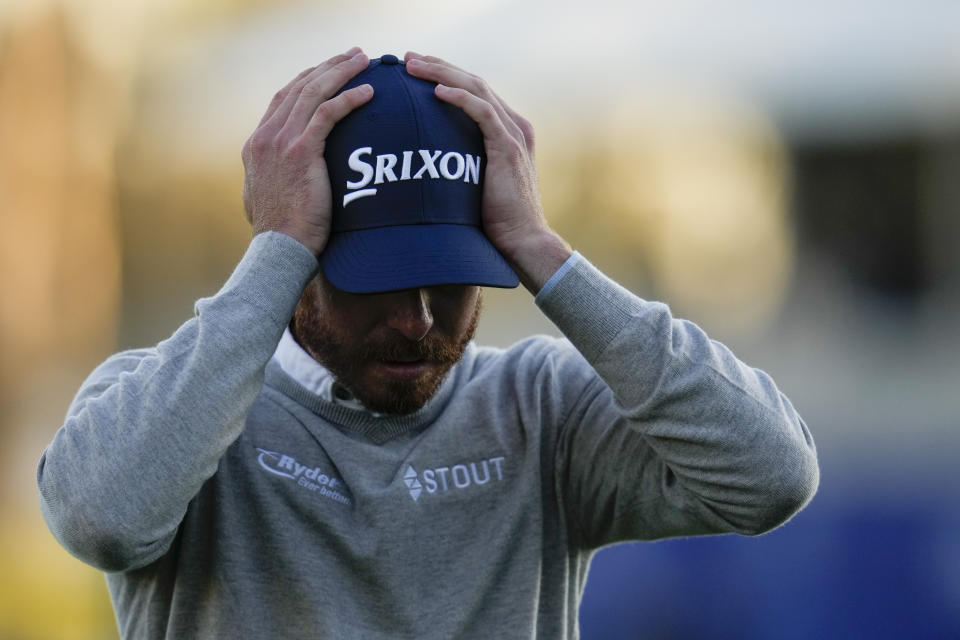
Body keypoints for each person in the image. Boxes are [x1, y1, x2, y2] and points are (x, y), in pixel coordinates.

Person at [37, 48, 819, 639]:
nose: (417, 320)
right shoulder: (173, 408)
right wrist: (272, 248)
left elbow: (772, 476)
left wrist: (544, 251)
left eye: (450, 277)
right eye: (375, 277)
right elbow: (104, 519)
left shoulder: (541, 409)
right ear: (299, 261)